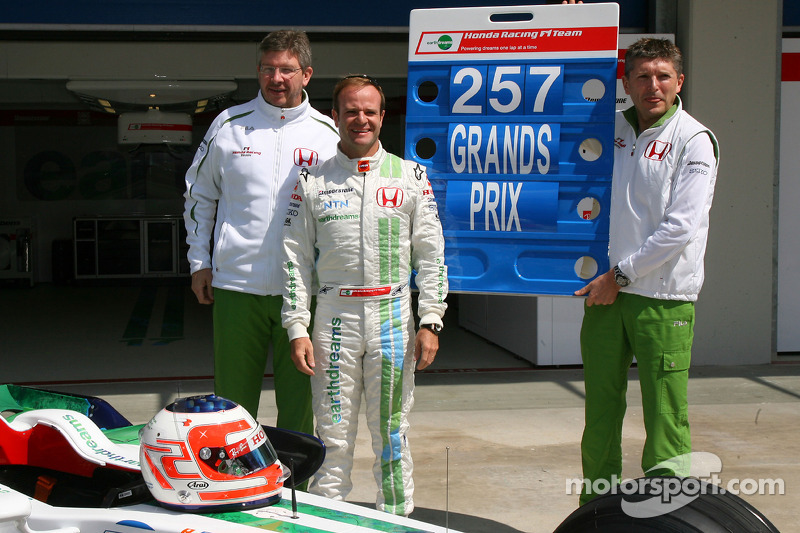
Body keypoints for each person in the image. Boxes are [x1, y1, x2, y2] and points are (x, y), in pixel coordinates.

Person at [281, 74, 448, 516]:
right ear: (334, 116)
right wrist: (297, 326)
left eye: (369, 111)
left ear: (382, 116)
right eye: (351, 111)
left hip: (393, 314)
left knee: (392, 430)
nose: (361, 120)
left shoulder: (411, 175)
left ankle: (396, 517)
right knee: (333, 432)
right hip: (334, 316)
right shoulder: (311, 179)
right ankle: (329, 516)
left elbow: (431, 253)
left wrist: (431, 320)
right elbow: (294, 257)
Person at [573, 37, 720, 505]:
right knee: (600, 411)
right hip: (605, 296)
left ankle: (665, 515)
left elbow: (681, 226)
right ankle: (597, 510)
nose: (652, 85)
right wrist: (574, 28)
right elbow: (564, 107)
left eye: (662, 76)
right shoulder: (609, 129)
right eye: (642, 76)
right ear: (626, 83)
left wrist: (620, 276)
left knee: (665, 417)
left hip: (661, 297)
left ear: (680, 82)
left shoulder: (694, 140)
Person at [183, 30, 339, 438]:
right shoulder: (229, 126)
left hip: (303, 292)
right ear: (257, 71)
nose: (276, 78)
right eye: (268, 69)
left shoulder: (328, 134)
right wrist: (199, 262)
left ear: (306, 74)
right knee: (230, 407)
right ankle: (234, 474)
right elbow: (199, 195)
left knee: (300, 404)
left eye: (286, 70)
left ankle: (296, 478)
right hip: (237, 287)